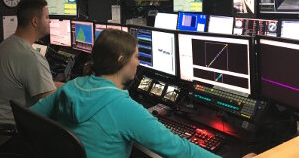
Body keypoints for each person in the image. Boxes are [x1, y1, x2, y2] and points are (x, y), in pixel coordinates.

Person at [31, 29, 219, 158]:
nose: (138, 63)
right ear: (122, 60)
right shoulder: (125, 108)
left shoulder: (72, 86)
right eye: (136, 56)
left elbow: (32, 117)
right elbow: (179, 150)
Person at [0, 0, 61, 151]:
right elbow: (51, 101)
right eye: (47, 17)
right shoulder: (30, 56)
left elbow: (46, 87)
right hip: (7, 136)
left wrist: (69, 84)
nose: (50, 21)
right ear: (35, 22)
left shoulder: (8, 44)